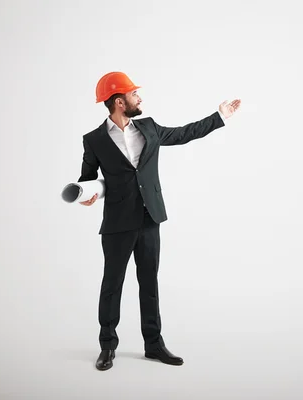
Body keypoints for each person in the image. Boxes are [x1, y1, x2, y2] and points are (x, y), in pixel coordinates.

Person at [77, 71, 241, 371]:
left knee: (149, 283)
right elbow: (87, 178)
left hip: (149, 218)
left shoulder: (149, 128)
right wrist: (86, 193)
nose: (139, 97)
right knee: (112, 285)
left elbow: (183, 133)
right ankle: (107, 347)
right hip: (117, 223)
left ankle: (153, 345)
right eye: (133, 94)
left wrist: (220, 116)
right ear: (118, 101)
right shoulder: (94, 140)